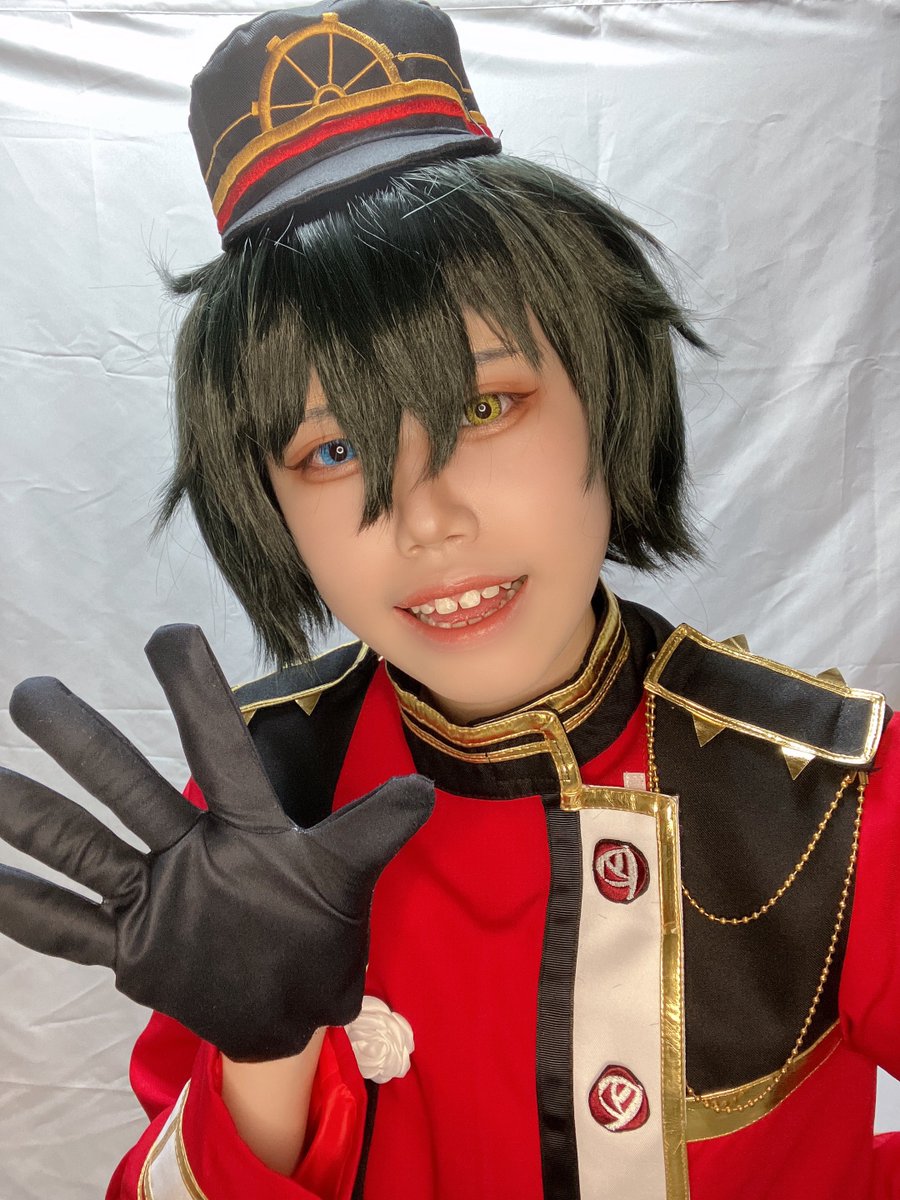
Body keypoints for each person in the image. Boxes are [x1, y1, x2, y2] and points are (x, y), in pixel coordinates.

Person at [0, 1, 898, 1198]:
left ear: (608, 397)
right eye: (332, 451)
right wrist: (264, 1054)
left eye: (482, 407)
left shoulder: (833, 802)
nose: (425, 519)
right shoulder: (259, 803)